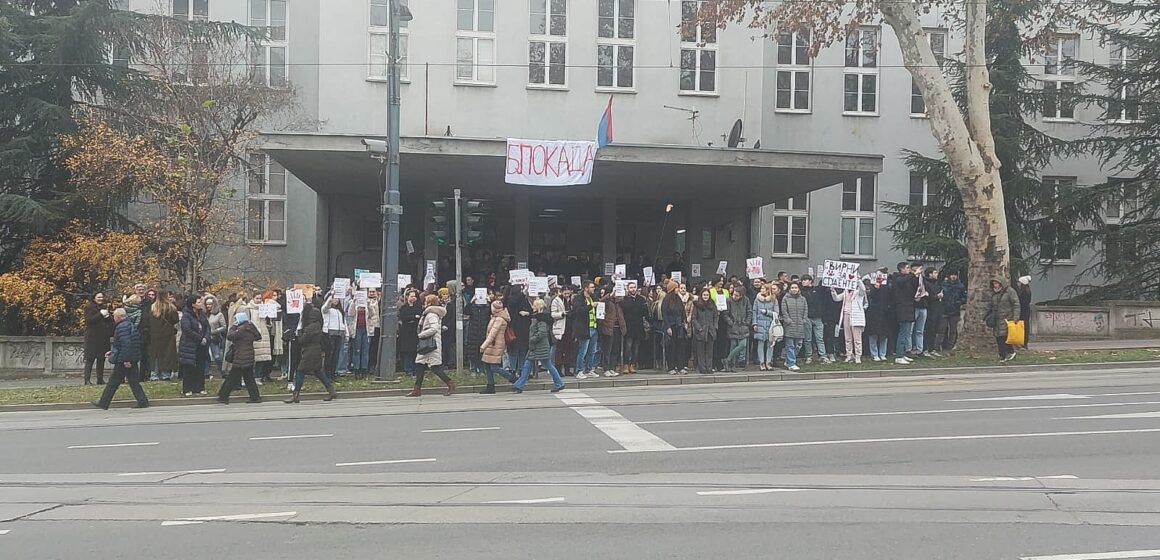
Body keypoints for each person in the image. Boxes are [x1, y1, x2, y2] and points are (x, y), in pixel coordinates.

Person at [94, 308, 149, 409]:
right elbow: (128, 343)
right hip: (131, 357)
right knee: (133, 381)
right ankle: (142, 401)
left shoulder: (122, 327)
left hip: (124, 359)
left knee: (113, 382)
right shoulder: (129, 325)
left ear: (119, 317)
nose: (114, 318)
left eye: (115, 316)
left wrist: (126, 359)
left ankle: (103, 402)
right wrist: (114, 351)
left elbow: (126, 344)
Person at [406, 295, 457, 397]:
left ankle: (450, 384)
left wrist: (421, 335)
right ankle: (417, 389)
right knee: (420, 365)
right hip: (428, 344)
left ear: (429, 303)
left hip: (430, 344)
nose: (424, 303)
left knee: (433, 367)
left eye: (425, 301)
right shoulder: (429, 314)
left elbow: (434, 328)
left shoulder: (431, 314)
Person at [285, 305, 337, 403]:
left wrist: (300, 333)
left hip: (310, 352)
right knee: (318, 372)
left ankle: (295, 395)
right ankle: (331, 390)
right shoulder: (317, 326)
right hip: (315, 350)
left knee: (300, 371)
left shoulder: (310, 327)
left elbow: (302, 340)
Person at [513, 298, 565, 393]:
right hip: (538, 346)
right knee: (529, 365)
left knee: (544, 365)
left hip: (539, 346)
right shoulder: (539, 317)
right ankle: (519, 385)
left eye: (534, 305)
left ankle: (559, 383)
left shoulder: (540, 318)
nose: (532, 307)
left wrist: (532, 339)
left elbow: (542, 333)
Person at [218, 311, 262, 404]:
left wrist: (233, 327)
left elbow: (229, 336)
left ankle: (223, 396)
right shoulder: (251, 327)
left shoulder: (241, 329)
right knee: (249, 378)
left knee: (232, 377)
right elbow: (258, 336)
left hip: (240, 357)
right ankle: (255, 397)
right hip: (249, 356)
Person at [479, 298, 515, 393]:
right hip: (492, 344)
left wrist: (483, 346)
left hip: (495, 345)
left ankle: (513, 378)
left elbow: (492, 334)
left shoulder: (499, 319)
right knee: (487, 364)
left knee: (494, 367)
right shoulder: (495, 317)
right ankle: (490, 386)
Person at [178, 295, 209, 396]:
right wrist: (199, 338)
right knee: (189, 367)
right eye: (199, 302)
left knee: (201, 366)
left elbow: (207, 327)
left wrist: (206, 337)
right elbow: (187, 329)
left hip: (202, 344)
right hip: (190, 344)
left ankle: (199, 387)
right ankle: (187, 388)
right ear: (193, 304)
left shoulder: (202, 314)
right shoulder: (186, 315)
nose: (201, 304)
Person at [985, 277, 1020, 363]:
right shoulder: (993, 293)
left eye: (997, 283)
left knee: (1004, 337)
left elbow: (1016, 304)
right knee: (998, 337)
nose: (995, 285)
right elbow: (990, 306)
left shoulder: (1009, 292)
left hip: (1007, 318)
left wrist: (1016, 317)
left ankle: (1009, 352)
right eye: (994, 284)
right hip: (996, 319)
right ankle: (1003, 355)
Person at [82, 292, 114, 385]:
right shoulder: (89, 307)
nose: (101, 299)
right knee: (90, 359)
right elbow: (89, 320)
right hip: (92, 337)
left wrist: (108, 317)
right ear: (94, 298)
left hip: (103, 337)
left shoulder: (104, 307)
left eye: (102, 297)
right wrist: (100, 314)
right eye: (98, 297)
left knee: (101, 359)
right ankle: (87, 380)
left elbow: (111, 322)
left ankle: (100, 379)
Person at [146, 292, 179, 381]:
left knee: (155, 355)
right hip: (167, 334)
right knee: (167, 354)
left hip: (155, 334)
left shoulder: (153, 307)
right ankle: (165, 374)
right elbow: (175, 319)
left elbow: (148, 321)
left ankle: (154, 374)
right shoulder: (170, 307)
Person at [831, 282, 867, 364]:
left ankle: (858, 356)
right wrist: (833, 290)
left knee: (857, 338)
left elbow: (863, 289)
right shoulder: (845, 291)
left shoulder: (858, 292)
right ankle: (849, 355)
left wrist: (858, 280)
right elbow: (836, 299)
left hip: (856, 316)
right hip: (846, 314)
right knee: (848, 337)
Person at [799, 275, 830, 365]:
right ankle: (809, 356)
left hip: (818, 317)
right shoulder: (801, 292)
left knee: (819, 338)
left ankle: (823, 355)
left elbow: (823, 288)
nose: (804, 282)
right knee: (808, 339)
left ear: (810, 281)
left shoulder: (817, 290)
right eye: (803, 280)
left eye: (805, 280)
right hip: (807, 317)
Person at [572, 281, 600, 379]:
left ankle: (589, 369)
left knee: (592, 350)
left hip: (594, 326)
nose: (593, 289)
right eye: (591, 287)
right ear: (586, 288)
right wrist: (591, 306)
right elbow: (579, 310)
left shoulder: (593, 297)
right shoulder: (578, 298)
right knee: (583, 350)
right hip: (584, 327)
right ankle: (579, 370)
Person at [892, 263, 919, 365]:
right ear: (902, 269)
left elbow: (913, 288)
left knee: (907, 333)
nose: (909, 270)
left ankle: (903, 354)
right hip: (902, 309)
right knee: (903, 333)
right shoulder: (898, 279)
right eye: (907, 268)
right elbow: (903, 281)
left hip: (909, 308)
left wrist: (916, 277)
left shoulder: (907, 280)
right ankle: (899, 355)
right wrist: (913, 274)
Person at [661, 280, 690, 374]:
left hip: (679, 325)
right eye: (676, 287)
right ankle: (671, 367)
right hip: (671, 325)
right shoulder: (666, 299)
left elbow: (682, 311)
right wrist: (668, 327)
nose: (678, 289)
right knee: (671, 347)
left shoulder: (678, 298)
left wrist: (685, 321)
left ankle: (680, 366)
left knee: (681, 346)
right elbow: (664, 314)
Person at [780, 282, 809, 372]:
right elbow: (784, 311)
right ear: (789, 289)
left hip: (800, 325)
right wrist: (788, 320)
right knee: (790, 345)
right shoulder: (785, 299)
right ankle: (791, 363)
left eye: (796, 287)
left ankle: (788, 360)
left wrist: (804, 319)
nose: (794, 289)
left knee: (798, 345)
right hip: (789, 325)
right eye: (792, 287)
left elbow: (806, 310)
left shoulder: (803, 299)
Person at [597, 285, 625, 377]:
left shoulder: (619, 302)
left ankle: (612, 368)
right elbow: (601, 301)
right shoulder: (607, 301)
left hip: (618, 327)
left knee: (615, 349)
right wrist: (610, 295)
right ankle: (606, 368)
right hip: (608, 327)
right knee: (607, 349)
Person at [620, 281, 648, 373]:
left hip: (638, 327)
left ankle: (633, 364)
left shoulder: (641, 299)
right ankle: (626, 364)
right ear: (628, 289)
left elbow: (645, 314)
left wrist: (645, 308)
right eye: (631, 287)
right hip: (628, 327)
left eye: (634, 287)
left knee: (636, 348)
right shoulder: (624, 300)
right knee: (628, 347)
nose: (633, 289)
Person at [723, 287, 752, 372]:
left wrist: (747, 322)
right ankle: (732, 365)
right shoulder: (729, 300)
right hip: (733, 326)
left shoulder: (746, 300)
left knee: (743, 344)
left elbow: (749, 311)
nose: (734, 296)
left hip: (743, 326)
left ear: (741, 296)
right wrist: (730, 322)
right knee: (733, 345)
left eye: (737, 295)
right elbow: (725, 313)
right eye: (734, 294)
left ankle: (727, 360)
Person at [690, 288, 719, 374]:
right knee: (701, 352)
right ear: (701, 296)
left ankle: (709, 367)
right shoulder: (697, 305)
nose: (705, 296)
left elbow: (716, 316)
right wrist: (699, 328)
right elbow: (694, 318)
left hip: (710, 331)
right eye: (704, 295)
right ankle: (702, 368)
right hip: (701, 331)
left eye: (707, 295)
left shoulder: (712, 305)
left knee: (709, 351)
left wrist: (715, 326)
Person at [321, 291, 349, 376]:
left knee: (336, 355)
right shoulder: (326, 310)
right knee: (330, 354)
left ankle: (333, 372)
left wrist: (346, 333)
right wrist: (331, 297)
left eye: (337, 298)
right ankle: (327, 373)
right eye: (334, 298)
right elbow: (326, 307)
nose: (336, 300)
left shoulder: (340, 311)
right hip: (330, 333)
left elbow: (344, 322)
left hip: (339, 333)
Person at [549, 285, 574, 377]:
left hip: (569, 327)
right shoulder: (556, 300)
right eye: (565, 293)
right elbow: (553, 314)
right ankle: (558, 369)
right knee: (559, 350)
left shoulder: (571, 300)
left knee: (568, 349)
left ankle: (567, 369)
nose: (567, 295)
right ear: (561, 292)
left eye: (568, 293)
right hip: (561, 326)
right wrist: (562, 314)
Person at [752, 284, 778, 371]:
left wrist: (767, 312)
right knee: (760, 344)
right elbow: (754, 312)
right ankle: (762, 362)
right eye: (761, 288)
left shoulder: (774, 300)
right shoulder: (757, 300)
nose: (762, 290)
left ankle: (769, 362)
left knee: (770, 344)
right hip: (760, 324)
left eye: (763, 288)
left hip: (770, 324)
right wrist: (754, 323)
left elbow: (776, 313)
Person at [938, 272, 966, 351]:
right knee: (942, 329)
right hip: (944, 310)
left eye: (955, 275)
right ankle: (939, 345)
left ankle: (950, 345)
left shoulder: (960, 286)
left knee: (953, 330)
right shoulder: (944, 285)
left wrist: (958, 303)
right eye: (952, 275)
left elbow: (964, 297)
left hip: (955, 310)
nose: (953, 277)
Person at [465, 288, 490, 374]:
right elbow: (466, 311)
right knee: (472, 352)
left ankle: (482, 370)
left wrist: (489, 302)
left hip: (483, 333)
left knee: (482, 352)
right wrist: (471, 301)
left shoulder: (486, 307)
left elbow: (492, 313)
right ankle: (473, 369)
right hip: (473, 333)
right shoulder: (473, 307)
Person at [864, 276, 889, 361]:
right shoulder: (872, 287)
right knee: (873, 334)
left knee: (884, 335)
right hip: (874, 313)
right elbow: (870, 295)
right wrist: (875, 287)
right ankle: (874, 354)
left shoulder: (887, 286)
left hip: (884, 313)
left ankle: (882, 353)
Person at [397, 289, 421, 376]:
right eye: (411, 296)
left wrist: (413, 318)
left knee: (415, 351)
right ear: (407, 297)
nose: (413, 298)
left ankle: (415, 369)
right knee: (407, 352)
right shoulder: (404, 307)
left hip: (415, 331)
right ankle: (408, 369)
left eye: (414, 296)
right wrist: (413, 317)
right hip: (406, 331)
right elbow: (403, 317)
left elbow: (419, 316)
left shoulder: (418, 307)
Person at [922, 267, 945, 357]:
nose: (937, 274)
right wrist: (937, 296)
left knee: (935, 329)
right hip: (930, 309)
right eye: (935, 273)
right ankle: (925, 348)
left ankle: (932, 348)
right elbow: (927, 297)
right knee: (929, 330)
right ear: (930, 274)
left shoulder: (937, 284)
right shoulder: (926, 284)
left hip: (937, 309)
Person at [205, 295, 226, 376]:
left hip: (214, 337)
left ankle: (222, 371)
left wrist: (215, 331)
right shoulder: (204, 314)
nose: (208, 306)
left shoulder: (219, 315)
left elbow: (224, 326)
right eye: (207, 304)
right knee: (206, 356)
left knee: (217, 356)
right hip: (205, 337)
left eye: (210, 304)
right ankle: (206, 372)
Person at [1017, 275, 1033, 350]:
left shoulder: (1024, 292)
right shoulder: (1027, 290)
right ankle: (1023, 342)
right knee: (1025, 326)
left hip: (1024, 310)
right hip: (1025, 310)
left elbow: (1022, 302)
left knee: (1024, 326)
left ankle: (1024, 342)